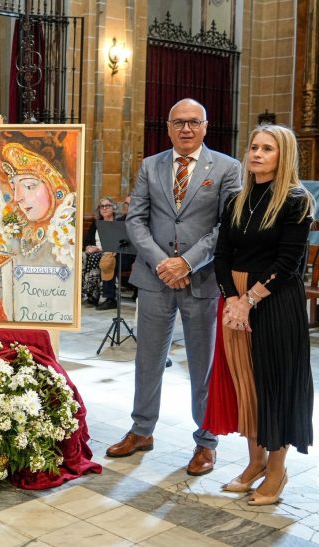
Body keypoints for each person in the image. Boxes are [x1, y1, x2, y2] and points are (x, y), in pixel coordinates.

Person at [106, 98, 241, 477]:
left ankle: (206, 441)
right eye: (178, 122)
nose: (185, 129)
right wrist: (162, 263)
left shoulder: (228, 168)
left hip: (202, 279)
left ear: (205, 126)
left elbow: (226, 226)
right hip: (154, 278)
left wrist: (186, 262)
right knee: (147, 358)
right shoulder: (151, 165)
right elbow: (136, 220)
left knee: (203, 364)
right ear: (168, 127)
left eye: (193, 122)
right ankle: (142, 430)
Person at [210, 125, 313, 505]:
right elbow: (222, 254)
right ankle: (254, 463)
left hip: (274, 301)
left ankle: (276, 470)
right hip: (235, 299)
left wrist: (247, 300)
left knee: (275, 385)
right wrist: (231, 298)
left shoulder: (296, 200)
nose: (256, 154)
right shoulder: (237, 198)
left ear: (282, 156)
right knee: (246, 385)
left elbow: (289, 262)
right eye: (254, 147)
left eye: (267, 149)